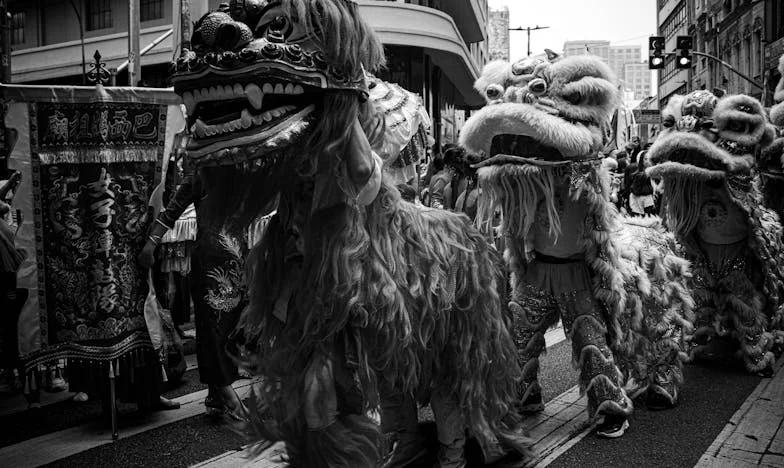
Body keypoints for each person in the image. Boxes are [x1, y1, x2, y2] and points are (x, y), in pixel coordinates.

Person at [139, 164, 250, 422]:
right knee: (211, 328)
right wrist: (150, 244)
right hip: (209, 264)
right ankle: (227, 394)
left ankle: (215, 395)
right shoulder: (200, 176)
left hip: (237, 261)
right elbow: (170, 212)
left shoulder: (244, 173)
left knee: (229, 328)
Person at [628, 151, 656, 216]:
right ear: (642, 161)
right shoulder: (640, 175)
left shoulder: (655, 175)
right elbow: (635, 191)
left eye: (650, 159)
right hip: (640, 202)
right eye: (646, 159)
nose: (648, 161)